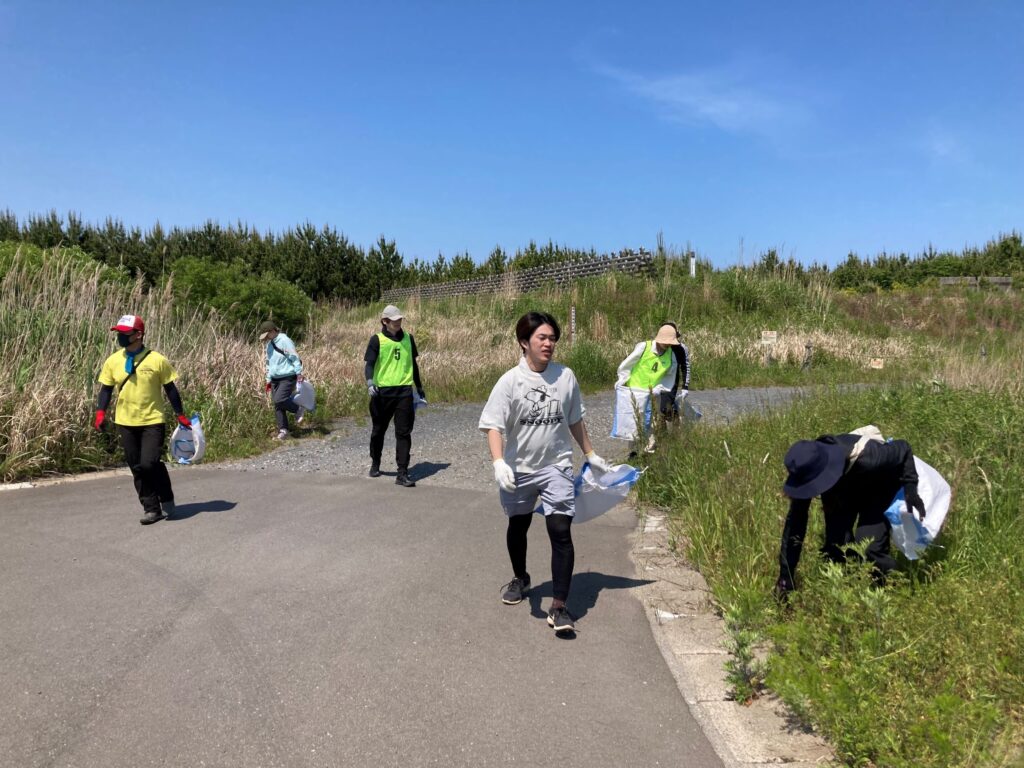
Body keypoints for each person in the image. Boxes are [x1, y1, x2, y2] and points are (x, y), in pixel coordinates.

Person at [478, 311, 612, 634]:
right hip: (519, 468)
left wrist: (590, 454)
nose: (549, 343)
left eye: (552, 338)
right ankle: (520, 578)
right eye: (542, 337)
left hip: (556, 465)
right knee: (518, 525)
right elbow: (494, 425)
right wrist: (498, 462)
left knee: (560, 529)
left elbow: (575, 419)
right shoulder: (510, 381)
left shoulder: (565, 377)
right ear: (524, 342)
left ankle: (559, 606)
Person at [776, 433, 928, 597]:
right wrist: (786, 575)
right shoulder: (807, 469)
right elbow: (795, 524)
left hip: (877, 490)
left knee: (871, 548)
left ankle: (893, 590)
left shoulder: (869, 457)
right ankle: (848, 590)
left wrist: (911, 489)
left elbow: (904, 448)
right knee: (836, 547)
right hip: (841, 493)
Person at [93, 314, 192, 525]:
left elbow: (170, 389)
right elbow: (106, 389)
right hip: (125, 421)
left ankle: (166, 496)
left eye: (124, 333)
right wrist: (101, 412)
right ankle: (151, 509)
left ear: (138, 334)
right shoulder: (113, 361)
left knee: (149, 463)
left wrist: (180, 414)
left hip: (152, 420)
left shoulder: (157, 360)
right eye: (118, 333)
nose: (120, 336)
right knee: (136, 466)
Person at [364, 304, 425, 488]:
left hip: (404, 391)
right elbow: (369, 364)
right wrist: (370, 382)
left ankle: (402, 473)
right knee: (378, 430)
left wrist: (419, 387)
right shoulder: (377, 340)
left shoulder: (408, 338)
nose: (398, 322)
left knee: (403, 433)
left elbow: (413, 364)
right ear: (385, 321)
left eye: (399, 319)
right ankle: (375, 462)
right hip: (382, 393)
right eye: (394, 320)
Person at [615, 322, 682, 451]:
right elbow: (628, 363)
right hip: (635, 392)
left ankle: (649, 451)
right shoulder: (644, 347)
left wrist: (660, 388)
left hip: (654, 394)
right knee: (634, 422)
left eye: (670, 343)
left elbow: (669, 377)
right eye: (666, 342)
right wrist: (622, 379)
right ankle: (634, 452)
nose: (668, 345)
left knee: (653, 422)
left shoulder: (671, 355)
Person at [259, 320, 304, 440]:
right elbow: (269, 364)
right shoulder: (269, 345)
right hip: (275, 379)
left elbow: (294, 357)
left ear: (272, 331)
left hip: (287, 377)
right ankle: (283, 430)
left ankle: (298, 408)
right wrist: (268, 379)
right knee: (278, 405)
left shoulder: (284, 340)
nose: (266, 338)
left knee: (279, 399)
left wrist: (299, 373)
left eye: (267, 335)